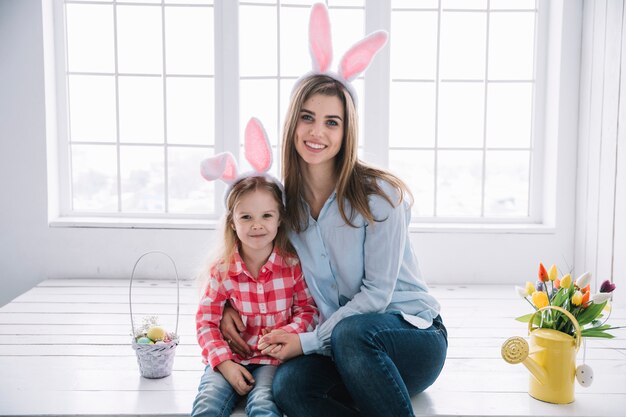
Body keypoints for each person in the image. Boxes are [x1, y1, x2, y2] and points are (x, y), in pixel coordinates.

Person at [192, 175, 319, 417]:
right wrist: (224, 364)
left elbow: (308, 310)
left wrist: (287, 333)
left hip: (273, 361)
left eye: (266, 216)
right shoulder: (222, 270)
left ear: (280, 219)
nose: (257, 225)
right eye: (246, 217)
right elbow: (206, 323)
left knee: (263, 405)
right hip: (230, 357)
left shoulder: (292, 266)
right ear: (232, 222)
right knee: (207, 403)